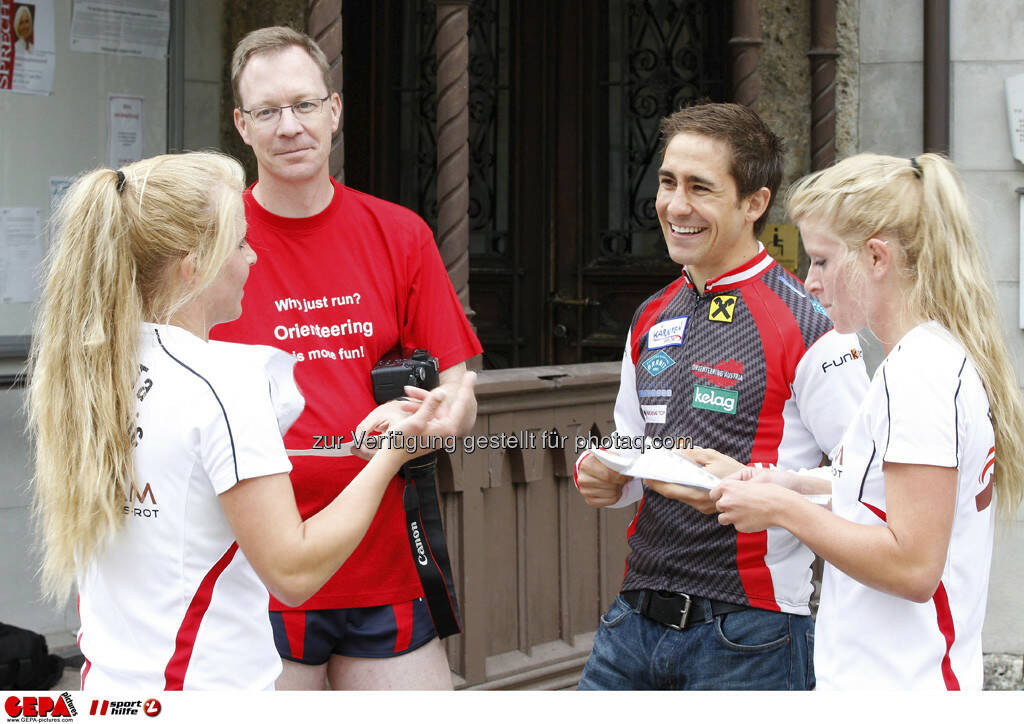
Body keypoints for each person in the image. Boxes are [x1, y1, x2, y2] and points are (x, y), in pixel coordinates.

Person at [27, 152, 478, 690]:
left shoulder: (92, 368)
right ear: (193, 266)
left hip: (112, 688)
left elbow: (191, 483)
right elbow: (293, 571)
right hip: (204, 688)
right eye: (239, 244)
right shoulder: (225, 382)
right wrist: (391, 456)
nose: (253, 259)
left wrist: (349, 448)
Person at [209, 27, 482, 690]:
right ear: (242, 126)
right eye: (268, 111)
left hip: (381, 559)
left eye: (304, 105)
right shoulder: (214, 251)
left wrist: (440, 416)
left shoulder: (400, 234)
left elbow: (459, 388)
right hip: (255, 572)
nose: (289, 127)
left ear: (333, 110)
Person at [573, 102, 869, 690]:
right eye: (667, 182)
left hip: (749, 635)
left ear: (754, 203)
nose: (675, 206)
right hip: (630, 622)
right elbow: (634, 449)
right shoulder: (649, 314)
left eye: (700, 188)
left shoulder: (811, 325)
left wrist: (765, 489)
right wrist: (609, 478)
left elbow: (871, 485)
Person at [707, 153, 1024, 690]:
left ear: (877, 257)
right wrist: (793, 484)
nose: (810, 282)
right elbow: (887, 502)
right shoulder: (920, 361)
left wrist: (782, 508)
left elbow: (912, 565)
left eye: (823, 261)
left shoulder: (918, 374)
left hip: (902, 686)